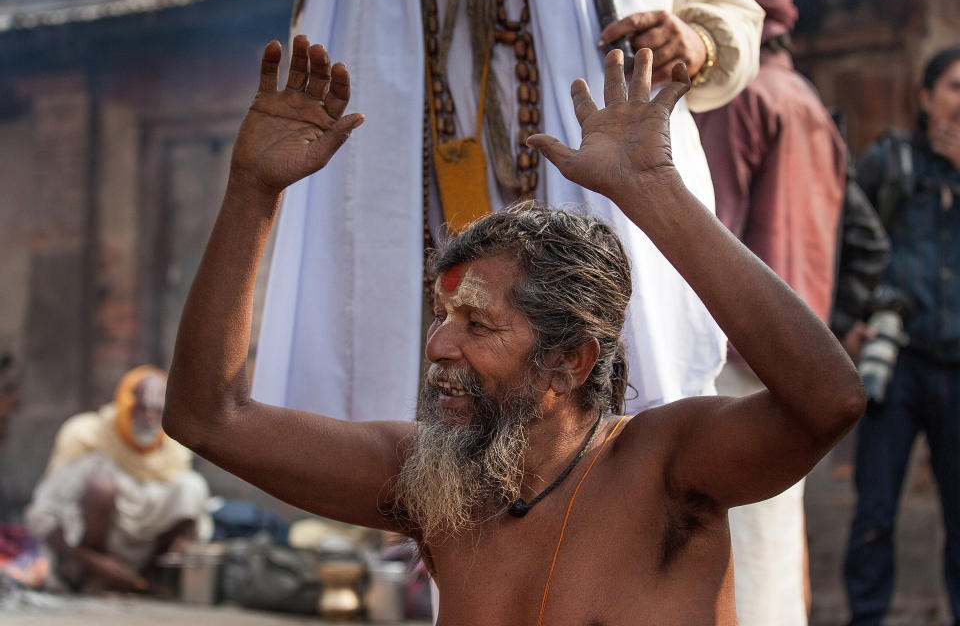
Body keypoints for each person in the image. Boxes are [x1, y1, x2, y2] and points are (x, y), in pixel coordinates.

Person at [163, 37, 864, 624]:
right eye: (442, 318)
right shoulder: (434, 482)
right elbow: (206, 418)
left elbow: (828, 402)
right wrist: (252, 189)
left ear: (572, 360)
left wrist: (655, 192)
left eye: (477, 325)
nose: (439, 345)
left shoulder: (668, 467)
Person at [251, 0, 763, 426]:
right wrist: (250, 187)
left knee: (611, 437)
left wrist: (700, 41)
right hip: (408, 218)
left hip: (592, 207)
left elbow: (730, 12)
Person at [694, 0, 846, 623]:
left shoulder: (743, 100)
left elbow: (710, 233)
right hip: (799, 356)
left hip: (738, 352)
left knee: (737, 543)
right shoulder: (808, 100)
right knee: (775, 541)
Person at [844, 45, 960, 626]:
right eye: (955, 87)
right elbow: (843, 232)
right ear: (925, 97)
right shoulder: (891, 162)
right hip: (898, 360)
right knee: (875, 513)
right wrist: (847, 321)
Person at [25, 366, 209, 593]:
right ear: (124, 403)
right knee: (101, 483)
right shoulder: (87, 436)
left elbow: (192, 528)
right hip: (85, 560)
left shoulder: (175, 451)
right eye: (141, 407)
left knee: (192, 488)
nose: (149, 416)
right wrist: (95, 564)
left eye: (156, 409)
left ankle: (141, 581)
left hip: (144, 562)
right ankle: (91, 579)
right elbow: (41, 517)